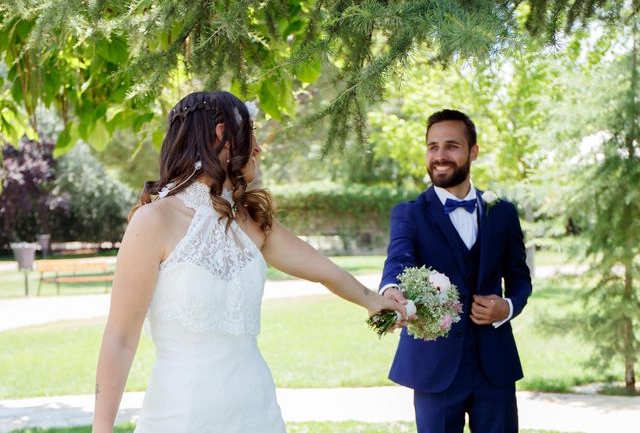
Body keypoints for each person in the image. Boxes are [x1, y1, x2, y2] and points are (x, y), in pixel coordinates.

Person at [92, 91, 406, 433]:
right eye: (251, 135)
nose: (258, 148)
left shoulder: (251, 221)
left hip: (257, 412)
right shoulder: (154, 221)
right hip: (182, 415)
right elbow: (120, 338)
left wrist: (376, 302)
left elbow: (326, 272)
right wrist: (102, 428)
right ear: (221, 136)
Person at [379, 109, 532, 433]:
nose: (440, 156)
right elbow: (398, 261)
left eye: (451, 146)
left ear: (473, 151)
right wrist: (391, 289)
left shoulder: (502, 212)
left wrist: (507, 307)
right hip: (434, 367)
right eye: (432, 146)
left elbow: (519, 278)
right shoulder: (408, 214)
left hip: (495, 366)